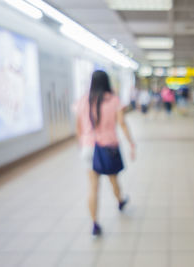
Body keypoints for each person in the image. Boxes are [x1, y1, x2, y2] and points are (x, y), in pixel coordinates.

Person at [76, 70, 135, 236]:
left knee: (93, 187)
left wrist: (82, 146)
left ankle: (95, 223)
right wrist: (131, 142)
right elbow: (122, 123)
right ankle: (120, 201)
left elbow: (79, 128)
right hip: (109, 147)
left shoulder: (83, 101)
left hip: (88, 147)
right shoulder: (114, 100)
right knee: (113, 179)